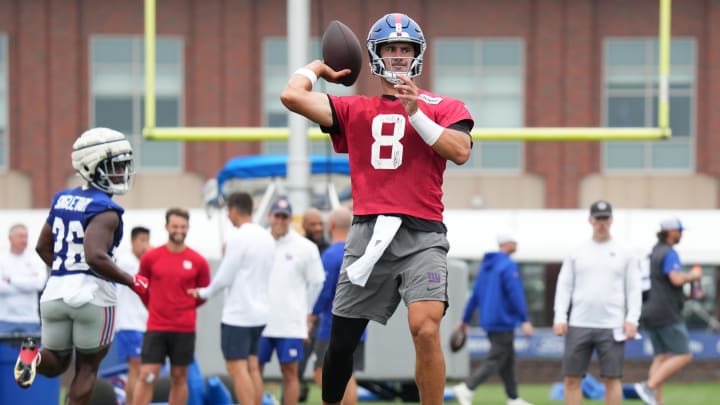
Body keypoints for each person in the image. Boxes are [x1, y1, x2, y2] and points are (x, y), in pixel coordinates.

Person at [280, 12, 473, 405]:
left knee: (424, 327)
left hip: (423, 234)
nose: (398, 56)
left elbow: (460, 151)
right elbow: (292, 96)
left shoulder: (443, 105)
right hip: (369, 233)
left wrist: (416, 112)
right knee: (341, 344)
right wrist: (318, 66)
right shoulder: (355, 110)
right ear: (376, 54)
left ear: (417, 55)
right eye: (390, 48)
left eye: (405, 49)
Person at [13, 127, 148, 405]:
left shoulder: (62, 198)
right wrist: (133, 281)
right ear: (93, 166)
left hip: (55, 292)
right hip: (93, 296)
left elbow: (42, 247)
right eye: (116, 166)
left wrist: (66, 270)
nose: (122, 172)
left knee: (57, 362)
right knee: (86, 368)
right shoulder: (106, 210)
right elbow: (95, 256)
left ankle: (33, 356)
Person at [187, 192, 275, 405]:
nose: (228, 216)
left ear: (235, 210)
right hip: (259, 314)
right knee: (252, 366)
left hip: (239, 315)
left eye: (228, 212)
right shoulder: (266, 236)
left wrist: (202, 292)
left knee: (237, 367)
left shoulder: (237, 236)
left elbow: (224, 277)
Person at [552, 200, 642, 405]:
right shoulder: (576, 250)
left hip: (612, 325)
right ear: (590, 220)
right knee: (572, 379)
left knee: (613, 379)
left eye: (605, 218)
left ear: (611, 220)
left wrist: (632, 319)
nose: (602, 223)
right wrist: (560, 316)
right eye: (598, 218)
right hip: (578, 323)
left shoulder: (625, 251)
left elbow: (634, 287)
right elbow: (564, 284)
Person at [132, 208, 210, 405]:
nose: (179, 230)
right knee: (147, 374)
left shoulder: (198, 261)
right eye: (175, 226)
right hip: (156, 327)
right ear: (167, 227)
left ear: (188, 228)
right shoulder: (151, 258)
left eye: (183, 226)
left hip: (184, 328)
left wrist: (186, 306)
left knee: (179, 377)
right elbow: (142, 287)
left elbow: (204, 293)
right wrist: (154, 306)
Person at [452, 231, 534, 405]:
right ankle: (467, 387)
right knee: (496, 359)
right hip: (503, 321)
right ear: (507, 244)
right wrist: (524, 319)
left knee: (507, 359)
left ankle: (513, 398)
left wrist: (465, 319)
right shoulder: (508, 266)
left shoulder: (486, 267)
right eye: (514, 241)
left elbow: (475, 295)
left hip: (489, 321)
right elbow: (515, 294)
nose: (516, 244)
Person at [258, 197, 325, 405]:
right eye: (277, 215)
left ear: (290, 220)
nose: (280, 220)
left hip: (290, 323)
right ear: (270, 216)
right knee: (254, 370)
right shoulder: (258, 243)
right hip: (260, 321)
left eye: (285, 217)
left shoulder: (304, 247)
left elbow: (317, 282)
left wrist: (307, 314)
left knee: (290, 372)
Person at [634, 217, 701, 405]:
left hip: (650, 309)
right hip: (666, 311)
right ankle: (649, 386)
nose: (681, 234)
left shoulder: (652, 252)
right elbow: (676, 279)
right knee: (684, 355)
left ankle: (656, 401)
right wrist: (694, 276)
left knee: (661, 357)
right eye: (680, 230)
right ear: (672, 232)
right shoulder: (669, 252)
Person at [310, 206, 366, 405]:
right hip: (359, 324)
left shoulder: (331, 255)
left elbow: (323, 292)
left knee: (324, 371)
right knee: (348, 373)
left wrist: (311, 315)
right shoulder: (360, 253)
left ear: (331, 225)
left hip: (332, 326)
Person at [115, 226, 151, 405]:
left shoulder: (143, 262)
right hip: (128, 324)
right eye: (141, 240)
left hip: (143, 323)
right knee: (137, 368)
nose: (145, 245)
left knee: (144, 370)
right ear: (132, 241)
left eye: (147, 240)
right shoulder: (125, 262)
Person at [299, 207, 329, 402]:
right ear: (304, 226)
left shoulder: (329, 249)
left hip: (324, 319)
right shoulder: (298, 249)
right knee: (294, 367)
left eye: (320, 223)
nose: (318, 228)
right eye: (313, 224)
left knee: (323, 368)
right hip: (301, 317)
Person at [0, 223, 47, 337]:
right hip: (5, 320)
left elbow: (39, 284)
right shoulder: (2, 259)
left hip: (30, 320)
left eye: (26, 236)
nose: (24, 240)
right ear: (10, 238)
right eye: (20, 236)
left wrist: (10, 280)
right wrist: (28, 281)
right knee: (5, 355)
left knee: (30, 355)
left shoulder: (36, 259)